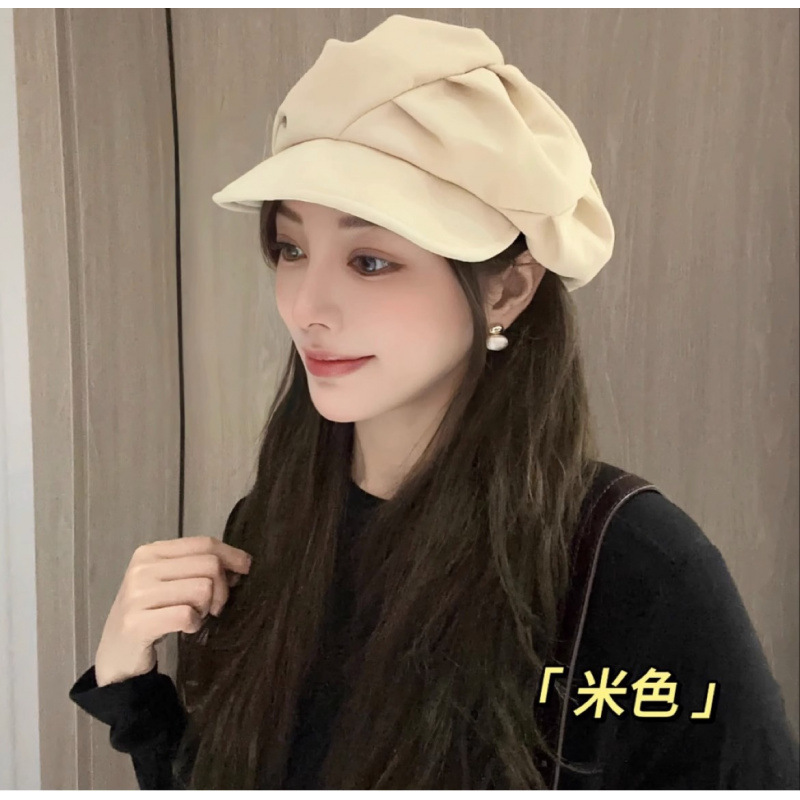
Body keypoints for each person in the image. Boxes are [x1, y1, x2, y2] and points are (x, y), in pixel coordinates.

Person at [69, 14, 800, 790]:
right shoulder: (274, 525)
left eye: (370, 260)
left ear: (507, 289)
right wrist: (134, 695)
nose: (305, 306)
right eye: (291, 248)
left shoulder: (633, 570)